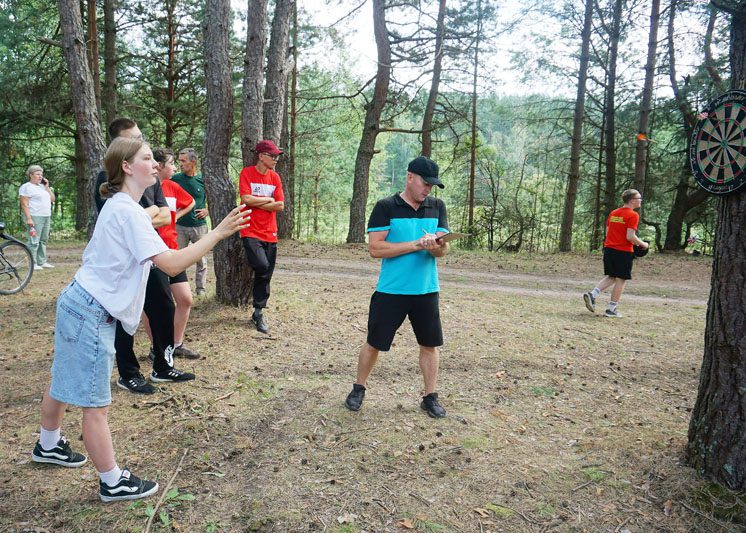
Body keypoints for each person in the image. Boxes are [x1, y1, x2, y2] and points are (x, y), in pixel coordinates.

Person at [31, 136, 250, 503]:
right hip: (90, 310)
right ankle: (112, 481)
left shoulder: (122, 206)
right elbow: (171, 263)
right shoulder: (127, 211)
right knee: (95, 404)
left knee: (63, 377)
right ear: (128, 167)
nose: (156, 163)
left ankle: (48, 444)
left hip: (78, 301)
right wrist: (218, 232)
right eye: (148, 158)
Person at [344, 156, 450, 418]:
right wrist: (415, 244)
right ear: (410, 177)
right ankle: (359, 388)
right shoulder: (385, 206)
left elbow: (442, 252)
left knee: (429, 345)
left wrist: (438, 246)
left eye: (432, 186)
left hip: (426, 290)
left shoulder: (437, 206)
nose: (428, 190)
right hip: (391, 291)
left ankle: (430, 396)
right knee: (374, 343)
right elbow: (375, 248)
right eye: (425, 184)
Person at [97, 119, 192, 394]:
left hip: (152, 252)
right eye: (133, 138)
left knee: (164, 308)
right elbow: (117, 217)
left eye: (141, 136)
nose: (140, 141)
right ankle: (128, 374)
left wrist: (142, 215)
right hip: (126, 261)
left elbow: (165, 215)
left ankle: (163, 366)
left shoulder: (149, 177)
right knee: (125, 315)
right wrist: (143, 216)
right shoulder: (107, 178)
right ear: (119, 146)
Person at [152, 148, 200, 359]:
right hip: (153, 254)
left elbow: (190, 202)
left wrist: (175, 217)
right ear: (159, 166)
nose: (175, 167)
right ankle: (157, 349)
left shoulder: (173, 186)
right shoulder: (145, 189)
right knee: (157, 304)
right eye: (172, 163)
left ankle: (177, 344)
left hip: (173, 250)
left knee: (185, 299)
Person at [238, 140, 285, 334]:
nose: (275, 159)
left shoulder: (275, 177)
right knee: (262, 266)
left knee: (266, 273)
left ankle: (258, 312)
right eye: (272, 156)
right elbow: (245, 199)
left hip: (270, 233)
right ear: (261, 156)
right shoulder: (247, 173)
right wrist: (269, 200)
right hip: (250, 230)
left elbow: (280, 205)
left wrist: (258, 203)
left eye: (276, 156)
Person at [583, 189, 649, 318]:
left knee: (611, 276)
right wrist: (643, 244)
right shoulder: (633, 215)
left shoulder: (614, 213)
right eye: (639, 198)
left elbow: (608, 233)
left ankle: (592, 294)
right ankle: (611, 309)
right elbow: (630, 236)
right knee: (621, 279)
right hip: (623, 251)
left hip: (609, 249)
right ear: (632, 201)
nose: (640, 200)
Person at [172, 148, 208, 295]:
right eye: (179, 161)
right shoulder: (175, 179)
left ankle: (201, 290)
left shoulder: (203, 179)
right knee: (178, 259)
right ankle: (179, 289)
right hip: (179, 226)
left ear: (193, 162)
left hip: (200, 227)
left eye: (183, 161)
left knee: (201, 260)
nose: (180, 164)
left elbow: (212, 198)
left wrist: (207, 210)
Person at [19, 165, 55, 270]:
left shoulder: (43, 187)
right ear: (31, 175)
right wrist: (29, 218)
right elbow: (24, 204)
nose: (40, 176)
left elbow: (52, 199)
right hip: (35, 216)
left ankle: (42, 261)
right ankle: (33, 263)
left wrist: (47, 187)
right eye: (37, 174)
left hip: (46, 216)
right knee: (34, 240)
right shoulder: (26, 187)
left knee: (43, 240)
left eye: (41, 174)